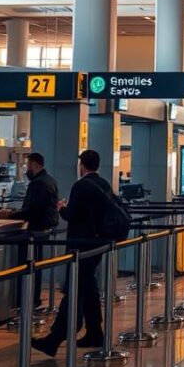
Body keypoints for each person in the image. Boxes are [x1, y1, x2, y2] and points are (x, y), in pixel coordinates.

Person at [32, 150, 111, 356]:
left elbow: (73, 215)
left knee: (74, 289)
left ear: (82, 165)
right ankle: (95, 331)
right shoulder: (103, 184)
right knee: (89, 286)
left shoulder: (81, 186)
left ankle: (55, 338)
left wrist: (61, 208)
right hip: (98, 243)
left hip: (81, 245)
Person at [0, 152, 59, 309]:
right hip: (45, 228)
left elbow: (32, 211)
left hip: (35, 230)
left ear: (35, 165)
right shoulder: (50, 180)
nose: (26, 170)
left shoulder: (38, 184)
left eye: (27, 165)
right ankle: (33, 299)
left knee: (27, 264)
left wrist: (10, 214)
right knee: (35, 265)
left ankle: (25, 299)